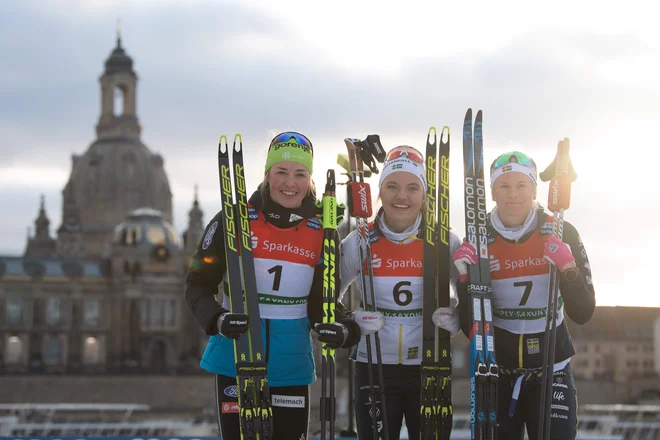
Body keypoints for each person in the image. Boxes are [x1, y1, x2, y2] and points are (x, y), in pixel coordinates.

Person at [185, 132, 360, 440]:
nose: (290, 183)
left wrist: (344, 326)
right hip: (236, 356)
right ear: (267, 174)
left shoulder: (322, 230)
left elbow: (323, 301)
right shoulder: (232, 220)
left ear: (309, 179)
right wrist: (217, 318)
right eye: (281, 172)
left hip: (290, 362)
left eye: (300, 174)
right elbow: (197, 284)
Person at [433, 151, 595, 439]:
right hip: (498, 371)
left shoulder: (560, 230)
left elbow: (583, 313)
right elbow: (473, 326)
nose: (513, 195)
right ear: (492, 192)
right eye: (504, 186)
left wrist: (568, 268)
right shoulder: (479, 235)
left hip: (552, 369)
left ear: (534, 189)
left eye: (521, 186)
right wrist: (462, 280)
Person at [337, 145, 461, 440]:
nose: (401, 196)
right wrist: (351, 320)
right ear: (380, 191)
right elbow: (326, 301)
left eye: (412, 188)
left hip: (429, 365)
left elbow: (471, 295)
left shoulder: (445, 241)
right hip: (374, 366)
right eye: (392, 186)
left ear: (424, 194)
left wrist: (460, 316)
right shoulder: (359, 241)